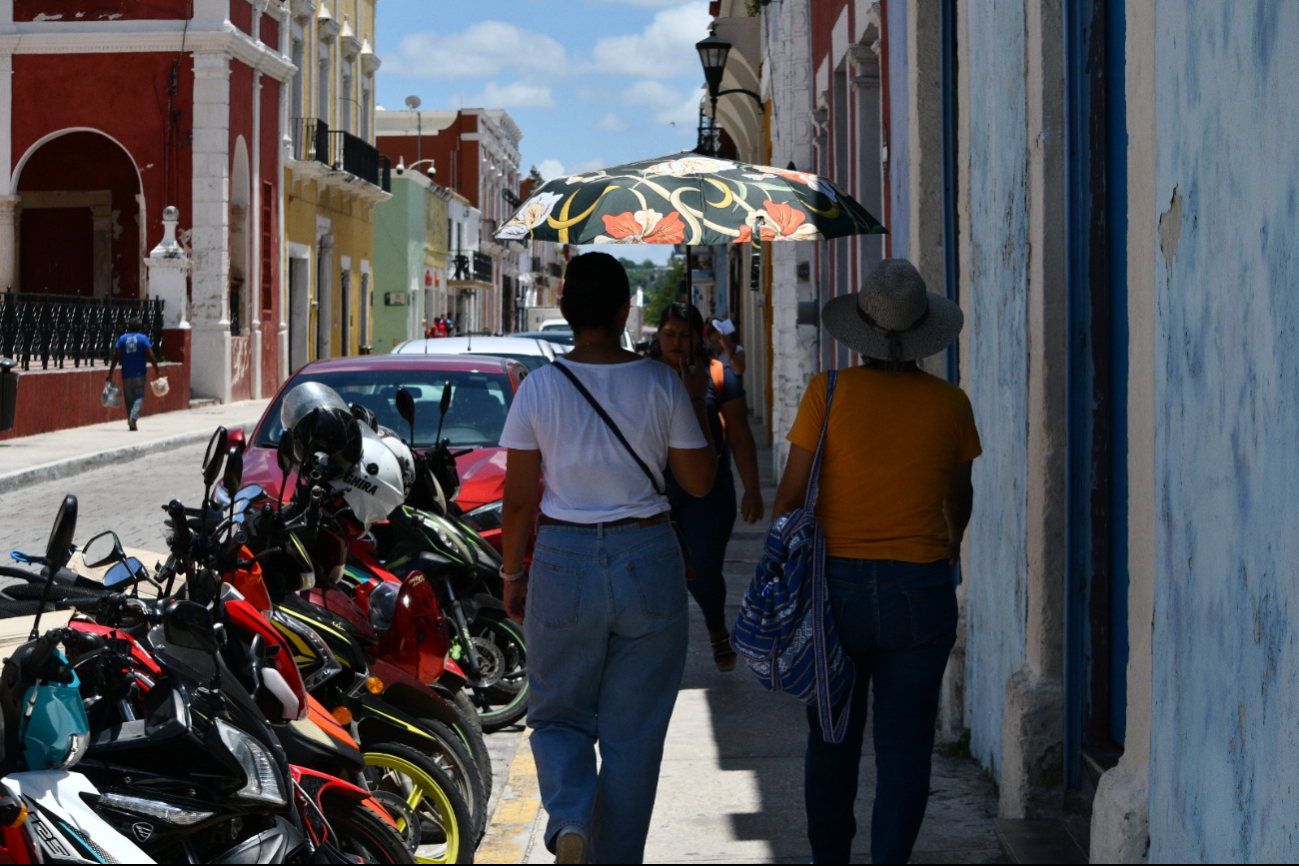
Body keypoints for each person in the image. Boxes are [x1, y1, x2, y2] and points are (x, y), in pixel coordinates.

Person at [498, 252, 716, 864]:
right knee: (634, 736)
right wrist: (696, 399)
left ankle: (569, 819)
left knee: (559, 715)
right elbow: (698, 483)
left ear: (565, 311)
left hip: (563, 560)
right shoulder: (661, 382)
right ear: (626, 311)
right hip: (647, 556)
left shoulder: (539, 389)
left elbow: (518, 503)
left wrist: (514, 573)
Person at [771, 258, 980, 864]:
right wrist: (949, 544)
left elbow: (789, 496)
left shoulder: (827, 393)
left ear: (859, 332)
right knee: (906, 750)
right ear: (922, 335)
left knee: (831, 742)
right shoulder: (950, 405)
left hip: (835, 592)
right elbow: (958, 498)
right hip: (920, 590)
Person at [656, 303, 764, 671]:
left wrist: (752, 487)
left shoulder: (718, 374)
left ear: (698, 337)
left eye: (684, 335)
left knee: (701, 570)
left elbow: (739, 433)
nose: (675, 342)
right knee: (660, 575)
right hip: (657, 492)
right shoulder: (646, 374)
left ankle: (716, 625)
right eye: (668, 333)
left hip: (710, 491)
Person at [105, 317, 160, 432]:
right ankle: (133, 417)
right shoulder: (143, 338)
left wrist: (110, 372)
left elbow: (116, 356)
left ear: (129, 327)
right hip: (140, 373)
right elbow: (150, 354)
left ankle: (131, 422)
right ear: (140, 328)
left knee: (129, 399)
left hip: (126, 373)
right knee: (139, 396)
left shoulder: (122, 339)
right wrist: (156, 369)